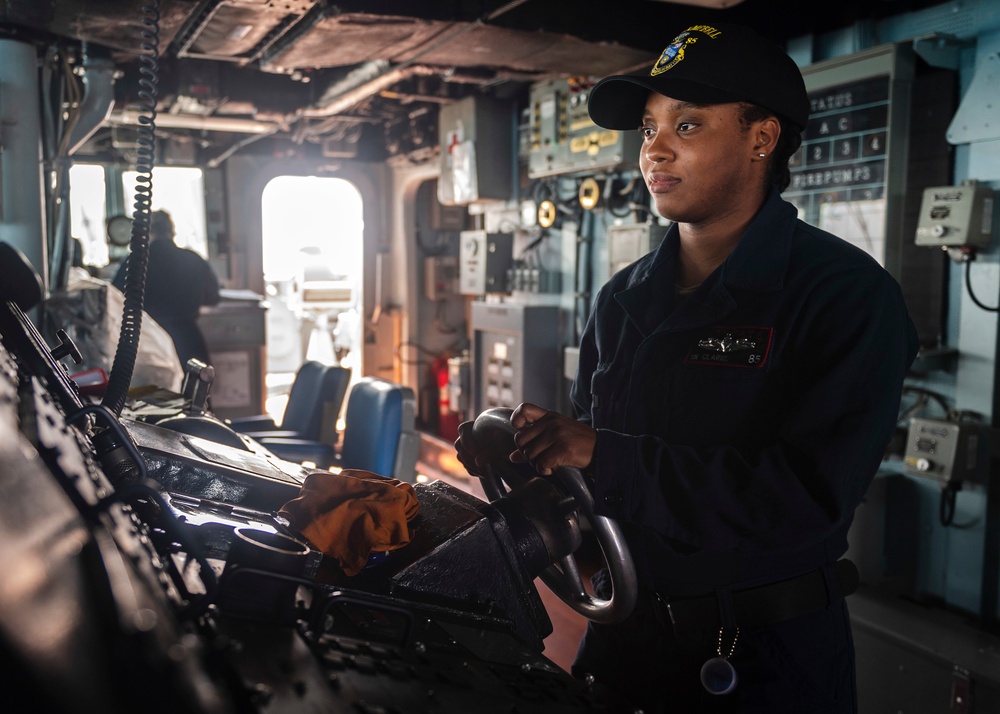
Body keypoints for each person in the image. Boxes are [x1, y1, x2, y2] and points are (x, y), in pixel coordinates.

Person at [457, 21, 919, 714]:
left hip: (758, 661)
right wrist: (522, 456)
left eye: (689, 124)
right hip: (623, 642)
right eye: (648, 128)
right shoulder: (624, 297)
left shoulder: (845, 296)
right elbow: (590, 477)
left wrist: (607, 458)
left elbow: (802, 501)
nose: (656, 150)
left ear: (762, 138)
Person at [113, 210, 220, 369]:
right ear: (172, 231)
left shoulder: (136, 261)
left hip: (150, 342)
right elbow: (213, 297)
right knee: (197, 389)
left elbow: (115, 297)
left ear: (148, 232)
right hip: (189, 342)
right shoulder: (193, 259)